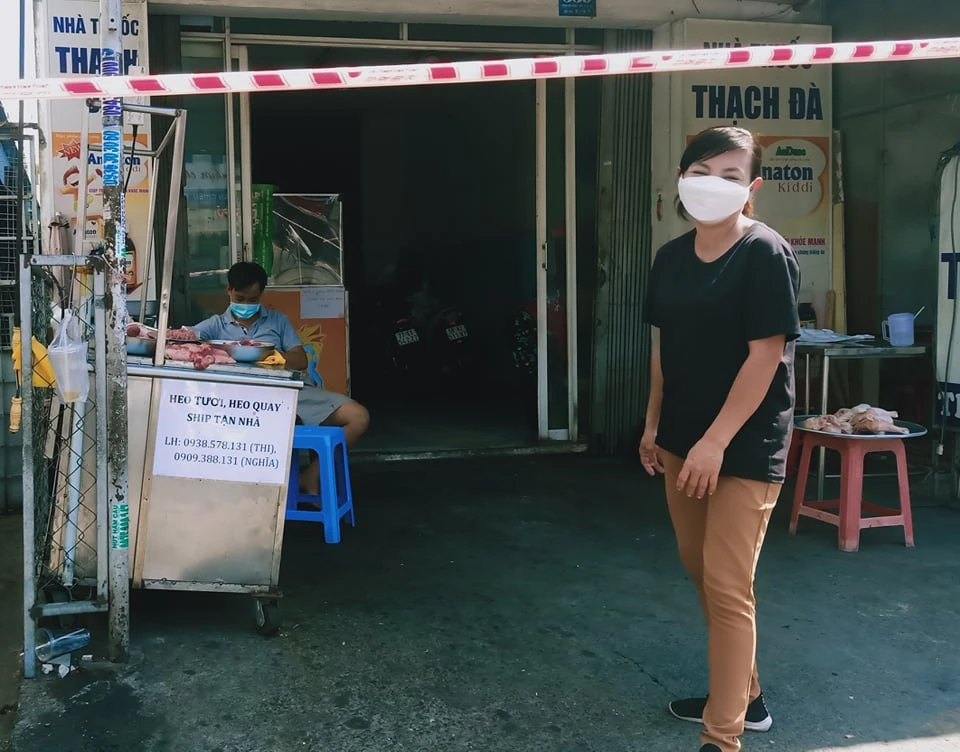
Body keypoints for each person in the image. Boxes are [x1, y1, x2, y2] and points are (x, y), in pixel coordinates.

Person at [639, 126, 801, 752]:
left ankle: (723, 736)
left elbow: (766, 355)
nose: (713, 184)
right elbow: (664, 347)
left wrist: (715, 443)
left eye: (731, 175)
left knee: (730, 587)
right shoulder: (670, 258)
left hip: (745, 444)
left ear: (751, 187)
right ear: (681, 179)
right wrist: (653, 424)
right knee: (700, 571)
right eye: (701, 171)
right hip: (682, 439)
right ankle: (746, 696)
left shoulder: (764, 252)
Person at [191, 262, 369, 493]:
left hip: (289, 392)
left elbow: (300, 360)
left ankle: (311, 476)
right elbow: (184, 340)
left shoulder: (278, 321)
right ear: (229, 290)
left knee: (358, 417)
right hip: (242, 402)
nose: (246, 305)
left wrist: (268, 355)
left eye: (253, 300)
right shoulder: (215, 325)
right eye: (240, 298)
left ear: (262, 294)